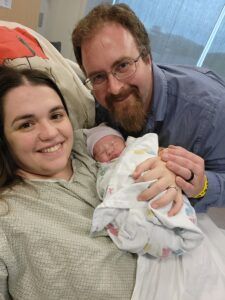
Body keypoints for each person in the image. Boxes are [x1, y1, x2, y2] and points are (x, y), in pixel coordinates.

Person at [0, 65, 139, 300]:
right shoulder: (7, 219)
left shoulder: (94, 148)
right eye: (26, 124)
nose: (50, 133)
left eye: (56, 115)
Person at [72, 3, 225, 213]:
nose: (115, 88)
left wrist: (200, 185)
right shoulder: (99, 97)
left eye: (123, 66)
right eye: (98, 76)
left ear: (147, 58)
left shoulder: (211, 110)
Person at [84, 124, 224, 300]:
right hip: (135, 200)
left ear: (123, 140)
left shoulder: (140, 146)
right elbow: (105, 187)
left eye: (112, 142)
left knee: (171, 208)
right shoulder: (105, 170)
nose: (109, 150)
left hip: (162, 188)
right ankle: (154, 237)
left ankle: (181, 228)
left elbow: (160, 153)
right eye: (100, 151)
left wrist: (165, 160)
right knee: (134, 221)